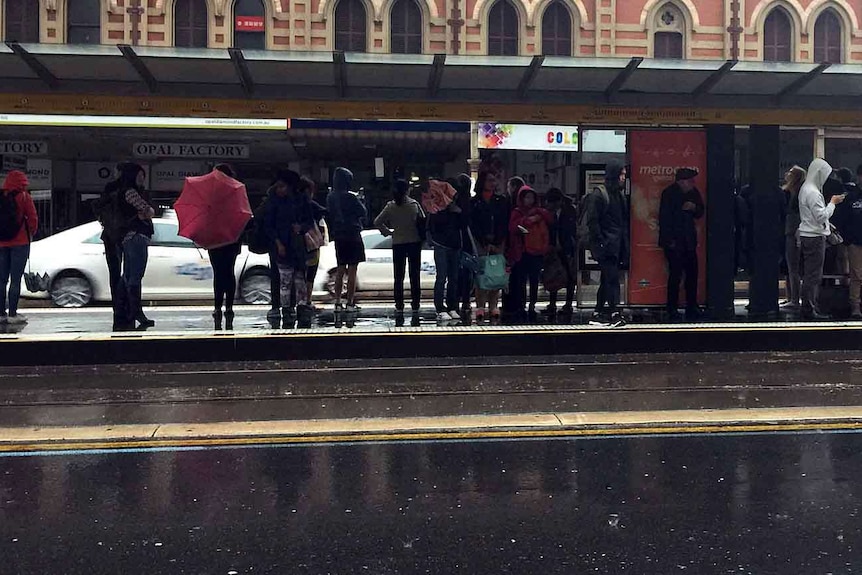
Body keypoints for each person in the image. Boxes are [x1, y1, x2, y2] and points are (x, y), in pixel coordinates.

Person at [266, 169, 315, 328]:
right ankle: (287, 309)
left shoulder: (302, 200)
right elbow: (269, 225)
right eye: (278, 187)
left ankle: (301, 307)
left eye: (282, 186)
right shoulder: (274, 202)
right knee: (285, 281)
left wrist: (300, 228)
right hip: (283, 246)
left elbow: (309, 221)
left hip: (298, 245)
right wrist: (278, 243)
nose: (280, 190)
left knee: (300, 279)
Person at [799, 158, 845, 320]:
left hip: (807, 234)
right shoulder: (813, 192)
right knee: (813, 275)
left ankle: (808, 306)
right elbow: (821, 216)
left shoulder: (806, 189)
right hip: (815, 237)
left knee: (809, 274)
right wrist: (832, 203)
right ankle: (809, 308)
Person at [659, 167, 706, 322]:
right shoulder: (669, 193)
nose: (692, 183)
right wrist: (669, 241)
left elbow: (700, 211)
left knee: (692, 274)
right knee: (675, 276)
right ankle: (672, 308)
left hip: (689, 241)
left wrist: (694, 208)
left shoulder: (693, 193)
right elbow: (664, 219)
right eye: (690, 181)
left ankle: (691, 306)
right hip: (674, 242)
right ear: (681, 181)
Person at [584, 162, 628, 327]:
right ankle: (615, 312)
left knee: (606, 278)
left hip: (615, 245)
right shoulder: (599, 195)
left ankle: (598, 312)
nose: (624, 178)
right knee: (612, 279)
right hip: (606, 245)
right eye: (621, 174)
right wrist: (601, 243)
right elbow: (592, 222)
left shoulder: (619, 195)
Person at [113, 162, 155, 331]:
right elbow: (148, 210)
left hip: (128, 238)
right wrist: (147, 212)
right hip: (136, 237)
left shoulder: (122, 191)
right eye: (140, 175)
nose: (142, 179)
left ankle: (125, 310)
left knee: (128, 276)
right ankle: (136, 312)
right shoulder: (131, 192)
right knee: (135, 276)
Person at [375, 179, 424, 319]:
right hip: (414, 242)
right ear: (408, 190)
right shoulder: (414, 205)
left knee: (398, 276)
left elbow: (377, 221)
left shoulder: (390, 206)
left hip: (398, 243)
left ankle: (399, 304)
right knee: (415, 275)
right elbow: (423, 220)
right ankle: (415, 303)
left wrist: (387, 232)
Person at [207, 163, 245, 331]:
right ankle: (229, 307)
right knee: (229, 272)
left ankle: (217, 307)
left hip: (215, 239)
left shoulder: (211, 195)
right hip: (231, 238)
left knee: (219, 273)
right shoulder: (236, 191)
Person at [508, 185, 553, 322]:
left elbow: (550, 221)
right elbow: (513, 228)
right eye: (527, 197)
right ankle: (521, 305)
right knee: (521, 281)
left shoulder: (541, 213)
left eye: (531, 197)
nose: (529, 200)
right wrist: (526, 222)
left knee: (534, 280)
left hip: (537, 251)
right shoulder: (517, 212)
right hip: (522, 251)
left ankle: (532, 304)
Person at [326, 167, 367, 313]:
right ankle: (350, 303)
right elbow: (363, 212)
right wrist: (361, 199)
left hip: (339, 236)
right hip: (353, 235)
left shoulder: (330, 197)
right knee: (352, 271)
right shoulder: (351, 197)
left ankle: (337, 302)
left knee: (340, 269)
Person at [0, 170, 38, 326]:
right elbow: (33, 219)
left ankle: (1, 313)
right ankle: (13, 314)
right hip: (20, 243)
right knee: (15, 280)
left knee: (1, 280)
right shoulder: (24, 197)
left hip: (1, 244)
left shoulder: (1, 197)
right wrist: (30, 233)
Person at [470, 171, 508, 322]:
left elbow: (504, 222)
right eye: (489, 180)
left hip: (498, 242)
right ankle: (480, 305)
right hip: (480, 243)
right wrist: (484, 241)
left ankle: (493, 305)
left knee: (496, 273)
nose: (493, 183)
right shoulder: (475, 202)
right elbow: (473, 224)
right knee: (482, 275)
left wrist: (498, 242)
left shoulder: (500, 201)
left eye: (494, 180)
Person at [428, 180, 465, 323]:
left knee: (453, 278)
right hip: (441, 245)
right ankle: (440, 308)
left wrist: (458, 211)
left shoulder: (458, 205)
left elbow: (464, 223)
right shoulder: (436, 206)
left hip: (454, 245)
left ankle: (452, 306)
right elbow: (434, 225)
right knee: (442, 277)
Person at [832, 167, 862, 318]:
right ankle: (855, 306)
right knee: (856, 275)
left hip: (854, 240)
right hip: (855, 241)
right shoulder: (851, 197)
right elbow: (842, 218)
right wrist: (847, 239)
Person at [545, 187, 579, 315]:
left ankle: (568, 303)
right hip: (554, 248)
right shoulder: (551, 213)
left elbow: (571, 229)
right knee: (553, 274)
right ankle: (553, 303)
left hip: (567, 247)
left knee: (569, 275)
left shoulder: (569, 211)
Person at [780, 166, 806, 311]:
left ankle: (794, 299)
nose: (787, 174)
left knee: (793, 266)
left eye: (790, 172)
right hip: (791, 231)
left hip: (792, 231)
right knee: (790, 266)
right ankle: (790, 297)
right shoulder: (795, 193)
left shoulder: (793, 194)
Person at [300, 176, 327, 311]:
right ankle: (307, 301)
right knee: (310, 273)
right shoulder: (311, 205)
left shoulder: (293, 204)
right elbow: (324, 212)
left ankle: (300, 301)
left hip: (297, 243)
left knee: (300, 273)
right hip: (311, 243)